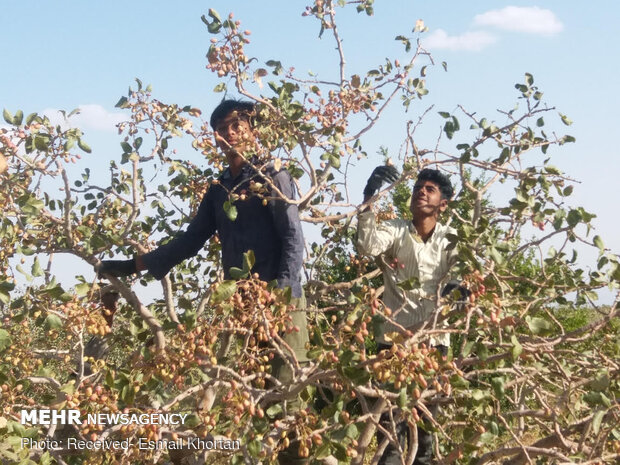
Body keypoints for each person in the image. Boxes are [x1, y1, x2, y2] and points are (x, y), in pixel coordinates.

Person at [97, 99, 310, 465]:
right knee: (253, 398)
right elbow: (191, 239)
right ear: (216, 139)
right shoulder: (218, 189)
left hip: (280, 303)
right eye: (223, 129)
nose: (230, 134)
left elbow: (293, 238)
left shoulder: (272, 174)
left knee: (288, 398)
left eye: (237, 126)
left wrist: (282, 298)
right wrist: (134, 265)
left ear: (251, 130)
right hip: (243, 304)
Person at [356, 166, 457, 465]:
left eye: (430, 189)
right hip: (393, 344)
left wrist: (460, 288)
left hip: (434, 344)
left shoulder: (450, 238)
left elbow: (461, 275)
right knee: (390, 429)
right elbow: (366, 245)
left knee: (425, 430)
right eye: (418, 188)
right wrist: (369, 197)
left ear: (443, 203)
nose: (421, 192)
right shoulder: (396, 230)